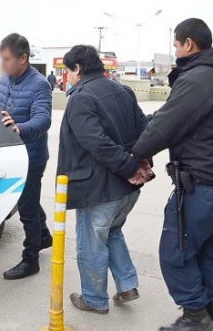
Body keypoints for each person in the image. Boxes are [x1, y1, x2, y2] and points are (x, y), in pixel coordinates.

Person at [132, 18, 213, 331]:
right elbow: (176, 115)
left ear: (189, 44)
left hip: (204, 186)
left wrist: (135, 153)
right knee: (209, 250)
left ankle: (196, 317)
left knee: (175, 252)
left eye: (176, 45)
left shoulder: (198, 78)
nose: (176, 51)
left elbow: (166, 125)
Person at [57, 45, 151, 314]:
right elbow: (145, 129)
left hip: (99, 189)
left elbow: (96, 144)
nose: (69, 77)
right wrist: (139, 165)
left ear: (77, 69)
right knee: (112, 232)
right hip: (127, 189)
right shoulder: (122, 90)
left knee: (91, 242)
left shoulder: (81, 97)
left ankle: (94, 299)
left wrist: (130, 167)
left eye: (68, 71)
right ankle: (127, 285)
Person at [0, 33, 53, 280]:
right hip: (10, 153)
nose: (3, 64)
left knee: (27, 207)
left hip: (31, 155)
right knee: (27, 199)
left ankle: (31, 259)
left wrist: (20, 128)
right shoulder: (5, 79)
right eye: (2, 58)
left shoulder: (40, 84)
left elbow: (43, 119)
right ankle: (44, 236)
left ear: (23, 58)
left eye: (7, 59)